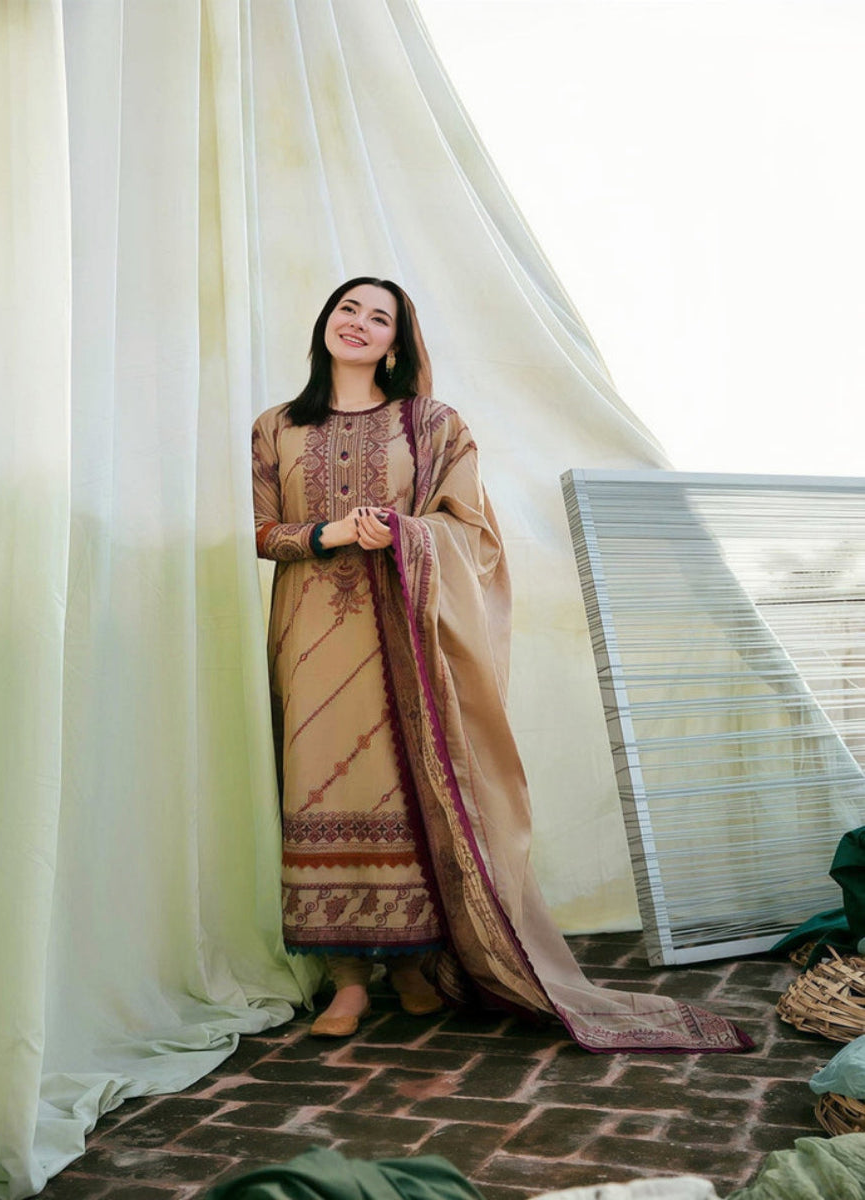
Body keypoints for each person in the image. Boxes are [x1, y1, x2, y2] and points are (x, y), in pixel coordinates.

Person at [252, 277, 751, 1053]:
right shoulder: (276, 427)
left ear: (396, 344)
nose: (358, 324)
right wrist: (328, 535)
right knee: (318, 791)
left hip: (405, 639)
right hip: (310, 636)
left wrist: (402, 533)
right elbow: (262, 530)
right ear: (324, 321)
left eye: (378, 318)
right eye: (347, 309)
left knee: (407, 785)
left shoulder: (432, 424)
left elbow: (472, 533)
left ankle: (412, 963)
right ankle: (348, 976)